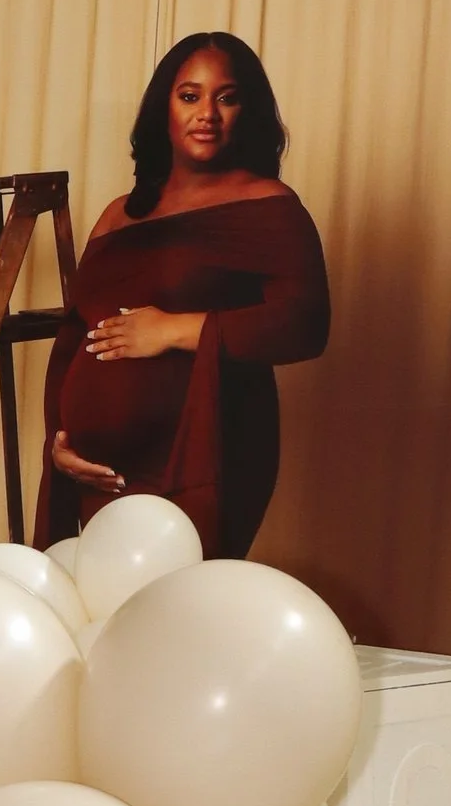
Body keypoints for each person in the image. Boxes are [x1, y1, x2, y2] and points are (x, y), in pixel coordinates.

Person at [43, 31, 329, 559]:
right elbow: (75, 334)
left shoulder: (267, 204)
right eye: (190, 96)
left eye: (227, 97)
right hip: (98, 473)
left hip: (204, 455)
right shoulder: (119, 213)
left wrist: (175, 329)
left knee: (184, 600)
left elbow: (306, 323)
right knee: (109, 598)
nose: (207, 114)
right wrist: (60, 442)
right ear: (164, 107)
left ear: (248, 110)